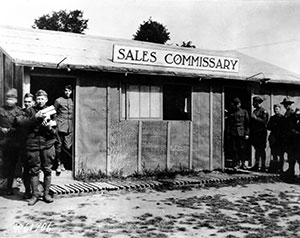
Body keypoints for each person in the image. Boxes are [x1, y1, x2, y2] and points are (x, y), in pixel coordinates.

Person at [17, 90, 57, 205]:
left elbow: (55, 130)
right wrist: (35, 117)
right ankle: (34, 195)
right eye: (38, 99)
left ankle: (46, 194)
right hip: (33, 145)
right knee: (34, 171)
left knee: (48, 170)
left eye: (42, 99)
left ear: (46, 99)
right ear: (35, 100)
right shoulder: (29, 111)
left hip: (47, 144)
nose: (40, 101)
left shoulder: (51, 111)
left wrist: (49, 128)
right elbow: (21, 123)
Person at [0, 88, 23, 195]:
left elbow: (21, 126)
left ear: (16, 100)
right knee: (2, 164)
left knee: (12, 165)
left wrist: (11, 130)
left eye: (11, 99)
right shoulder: (1, 110)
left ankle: (9, 187)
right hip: (2, 142)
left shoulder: (19, 111)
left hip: (14, 143)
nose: (9, 101)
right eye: (8, 98)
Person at [54, 85, 73, 173]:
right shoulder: (58, 100)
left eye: (69, 91)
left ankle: (64, 163)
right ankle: (59, 163)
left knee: (67, 146)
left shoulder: (73, 100)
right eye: (66, 90)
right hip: (60, 125)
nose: (67, 92)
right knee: (58, 146)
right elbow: (54, 113)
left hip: (70, 127)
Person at [227, 97, 250, 170]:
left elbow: (248, 124)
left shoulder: (244, 112)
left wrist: (247, 133)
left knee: (242, 148)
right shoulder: (232, 113)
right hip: (233, 132)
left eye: (237, 104)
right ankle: (237, 163)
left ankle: (243, 163)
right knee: (234, 149)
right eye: (235, 104)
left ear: (240, 104)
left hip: (241, 132)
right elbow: (229, 124)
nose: (236, 106)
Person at [20, 93, 35, 199]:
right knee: (25, 169)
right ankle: (27, 191)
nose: (27, 104)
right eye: (25, 102)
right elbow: (21, 123)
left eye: (29, 102)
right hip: (24, 144)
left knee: (34, 169)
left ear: (33, 102)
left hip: (35, 145)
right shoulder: (21, 112)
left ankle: (35, 191)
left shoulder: (37, 112)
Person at [249, 96, 269, 172]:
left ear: (257, 103)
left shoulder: (263, 111)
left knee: (262, 149)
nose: (253, 104)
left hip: (261, 133)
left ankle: (263, 166)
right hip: (255, 133)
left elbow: (264, 121)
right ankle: (257, 165)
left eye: (254, 103)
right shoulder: (254, 111)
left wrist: (256, 118)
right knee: (257, 149)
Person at [280, 97, 295, 179]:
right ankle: (290, 170)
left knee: (291, 154)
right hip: (286, 136)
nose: (286, 106)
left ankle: (291, 171)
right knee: (288, 154)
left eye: (288, 104)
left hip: (291, 137)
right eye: (285, 104)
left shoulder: (292, 113)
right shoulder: (287, 113)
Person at [267, 104, 284, 173]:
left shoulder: (282, 118)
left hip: (280, 138)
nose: (275, 110)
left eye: (277, 109)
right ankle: (275, 168)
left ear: (280, 109)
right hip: (273, 137)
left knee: (280, 154)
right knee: (274, 153)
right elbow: (268, 127)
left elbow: (283, 128)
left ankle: (281, 168)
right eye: (274, 109)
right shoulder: (272, 118)